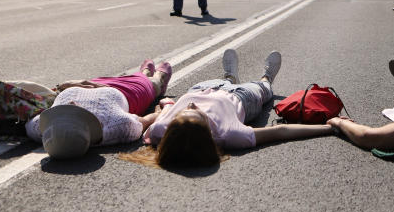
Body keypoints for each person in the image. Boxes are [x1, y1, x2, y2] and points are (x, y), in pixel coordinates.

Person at [123, 50, 333, 169]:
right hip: (241, 98)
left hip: (203, 88)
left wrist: (167, 104)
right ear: (208, 132)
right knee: (263, 90)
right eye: (197, 112)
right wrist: (329, 128)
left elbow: (163, 115)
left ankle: (230, 76)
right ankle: (267, 78)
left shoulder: (161, 130)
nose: (191, 105)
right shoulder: (230, 134)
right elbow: (281, 132)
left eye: (184, 111)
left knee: (223, 80)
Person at [24, 59, 174, 159]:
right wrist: (159, 112)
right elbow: (143, 122)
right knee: (150, 85)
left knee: (139, 77)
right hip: (130, 93)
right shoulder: (117, 126)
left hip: (91, 83)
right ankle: (158, 79)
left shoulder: (41, 129)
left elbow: (27, 114)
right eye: (73, 111)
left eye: (63, 112)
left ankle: (143, 73)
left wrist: (66, 85)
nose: (71, 102)